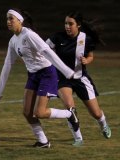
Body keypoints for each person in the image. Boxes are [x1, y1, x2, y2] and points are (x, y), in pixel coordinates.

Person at [0, 8, 82, 148]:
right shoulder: (13, 41)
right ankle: (43, 141)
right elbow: (7, 64)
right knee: (27, 112)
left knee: (40, 112)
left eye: (11, 18)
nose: (8, 21)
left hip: (47, 73)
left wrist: (66, 71)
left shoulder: (29, 35)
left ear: (20, 20)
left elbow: (48, 52)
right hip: (33, 75)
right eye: (7, 19)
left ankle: (69, 114)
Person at [46, 11, 111, 145]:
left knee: (96, 113)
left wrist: (87, 60)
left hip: (80, 78)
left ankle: (103, 124)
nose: (67, 26)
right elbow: (43, 48)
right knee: (70, 108)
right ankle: (78, 138)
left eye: (71, 24)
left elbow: (91, 56)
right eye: (66, 23)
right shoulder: (57, 37)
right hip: (63, 79)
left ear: (78, 25)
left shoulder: (85, 39)